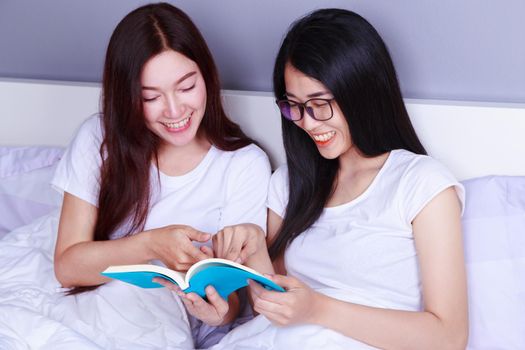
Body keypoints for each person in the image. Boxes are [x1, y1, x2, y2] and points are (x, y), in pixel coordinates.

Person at [209, 8, 468, 350]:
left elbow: (449, 337)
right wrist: (255, 249)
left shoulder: (420, 183)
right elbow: (273, 311)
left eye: (320, 104)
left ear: (361, 92)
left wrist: (318, 309)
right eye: (294, 106)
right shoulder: (288, 183)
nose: (308, 123)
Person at [51, 2, 270, 348]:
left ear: (207, 77)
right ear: (127, 98)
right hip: (96, 305)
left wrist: (217, 313)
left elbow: (230, 306)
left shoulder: (244, 165)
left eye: (186, 87)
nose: (174, 111)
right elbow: (67, 266)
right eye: (151, 97)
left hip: (170, 321)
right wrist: (151, 243)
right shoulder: (99, 138)